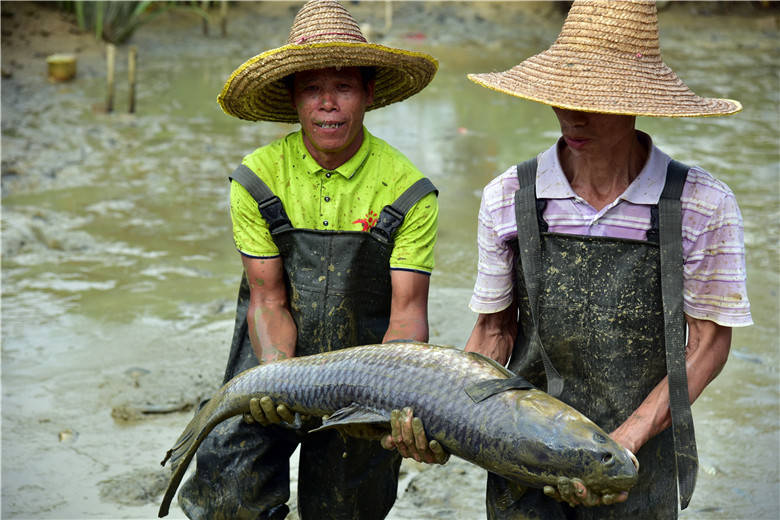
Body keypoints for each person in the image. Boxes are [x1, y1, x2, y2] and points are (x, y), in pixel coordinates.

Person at [464, 1, 752, 519]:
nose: (572, 115)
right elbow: (493, 331)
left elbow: (707, 345)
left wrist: (625, 441)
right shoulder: (508, 195)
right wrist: (452, 413)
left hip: (639, 462)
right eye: (562, 96)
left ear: (638, 101)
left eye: (593, 101)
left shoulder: (703, 204)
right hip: (522, 456)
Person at [176, 1, 445, 518]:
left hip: (364, 384)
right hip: (270, 362)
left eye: (343, 87)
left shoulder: (408, 190)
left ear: (368, 94)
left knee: (347, 508)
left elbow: (408, 316)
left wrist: (391, 400)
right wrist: (279, 375)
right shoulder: (256, 178)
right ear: (293, 98)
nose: (327, 103)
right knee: (228, 499)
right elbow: (268, 298)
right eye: (311, 89)